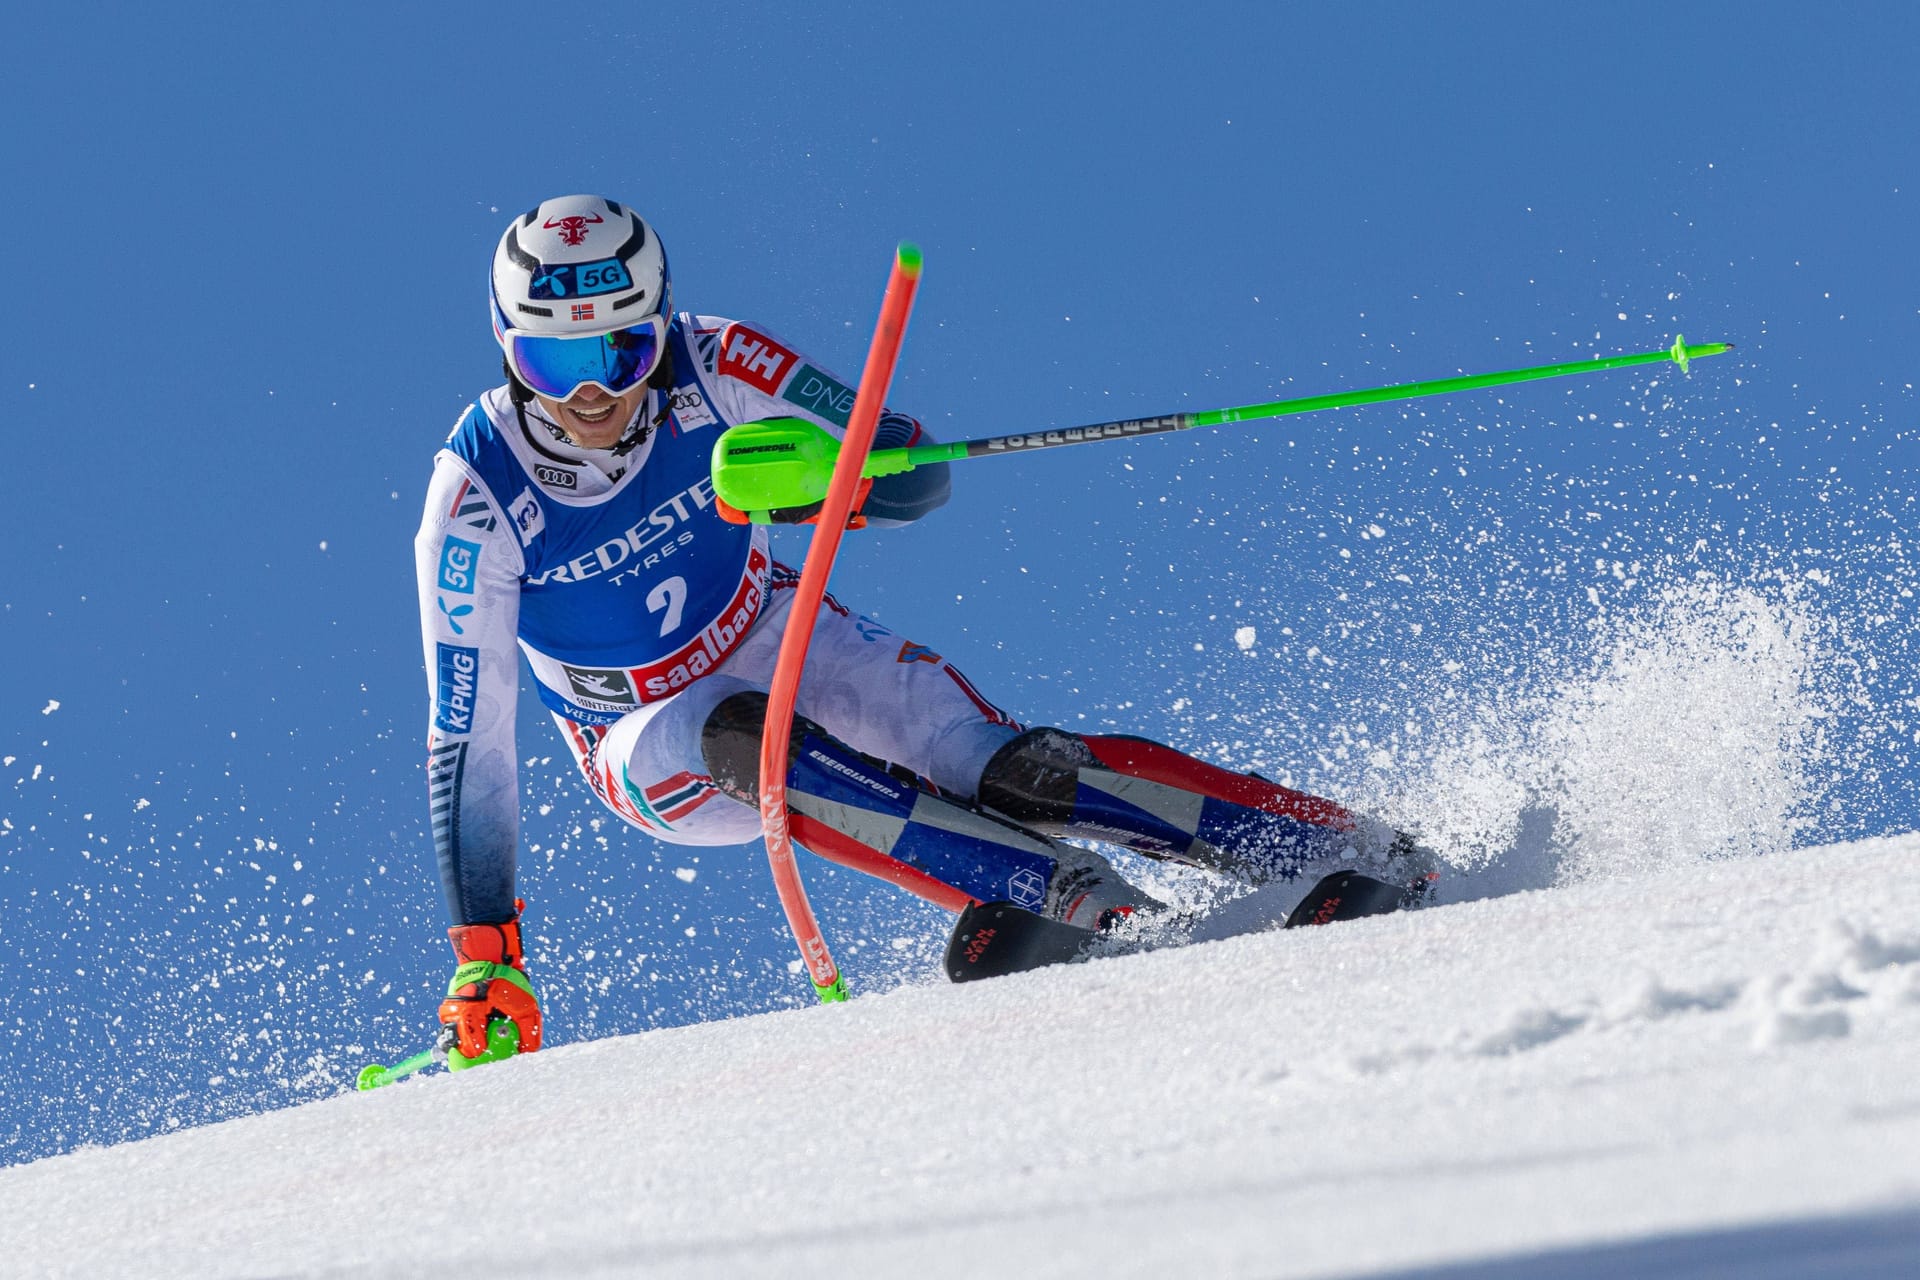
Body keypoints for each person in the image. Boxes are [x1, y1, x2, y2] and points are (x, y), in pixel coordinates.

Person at [417, 194, 1425, 1069]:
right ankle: (1086, 905)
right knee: (741, 735)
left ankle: (1339, 843)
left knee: (1013, 768)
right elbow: (472, 741)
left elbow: (918, 466)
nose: (591, 393)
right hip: (644, 735)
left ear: (660, 323)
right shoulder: (474, 499)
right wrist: (487, 951)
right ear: (506, 346)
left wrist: (835, 480)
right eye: (551, 359)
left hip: (785, 633)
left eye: (620, 350)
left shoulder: (716, 359)